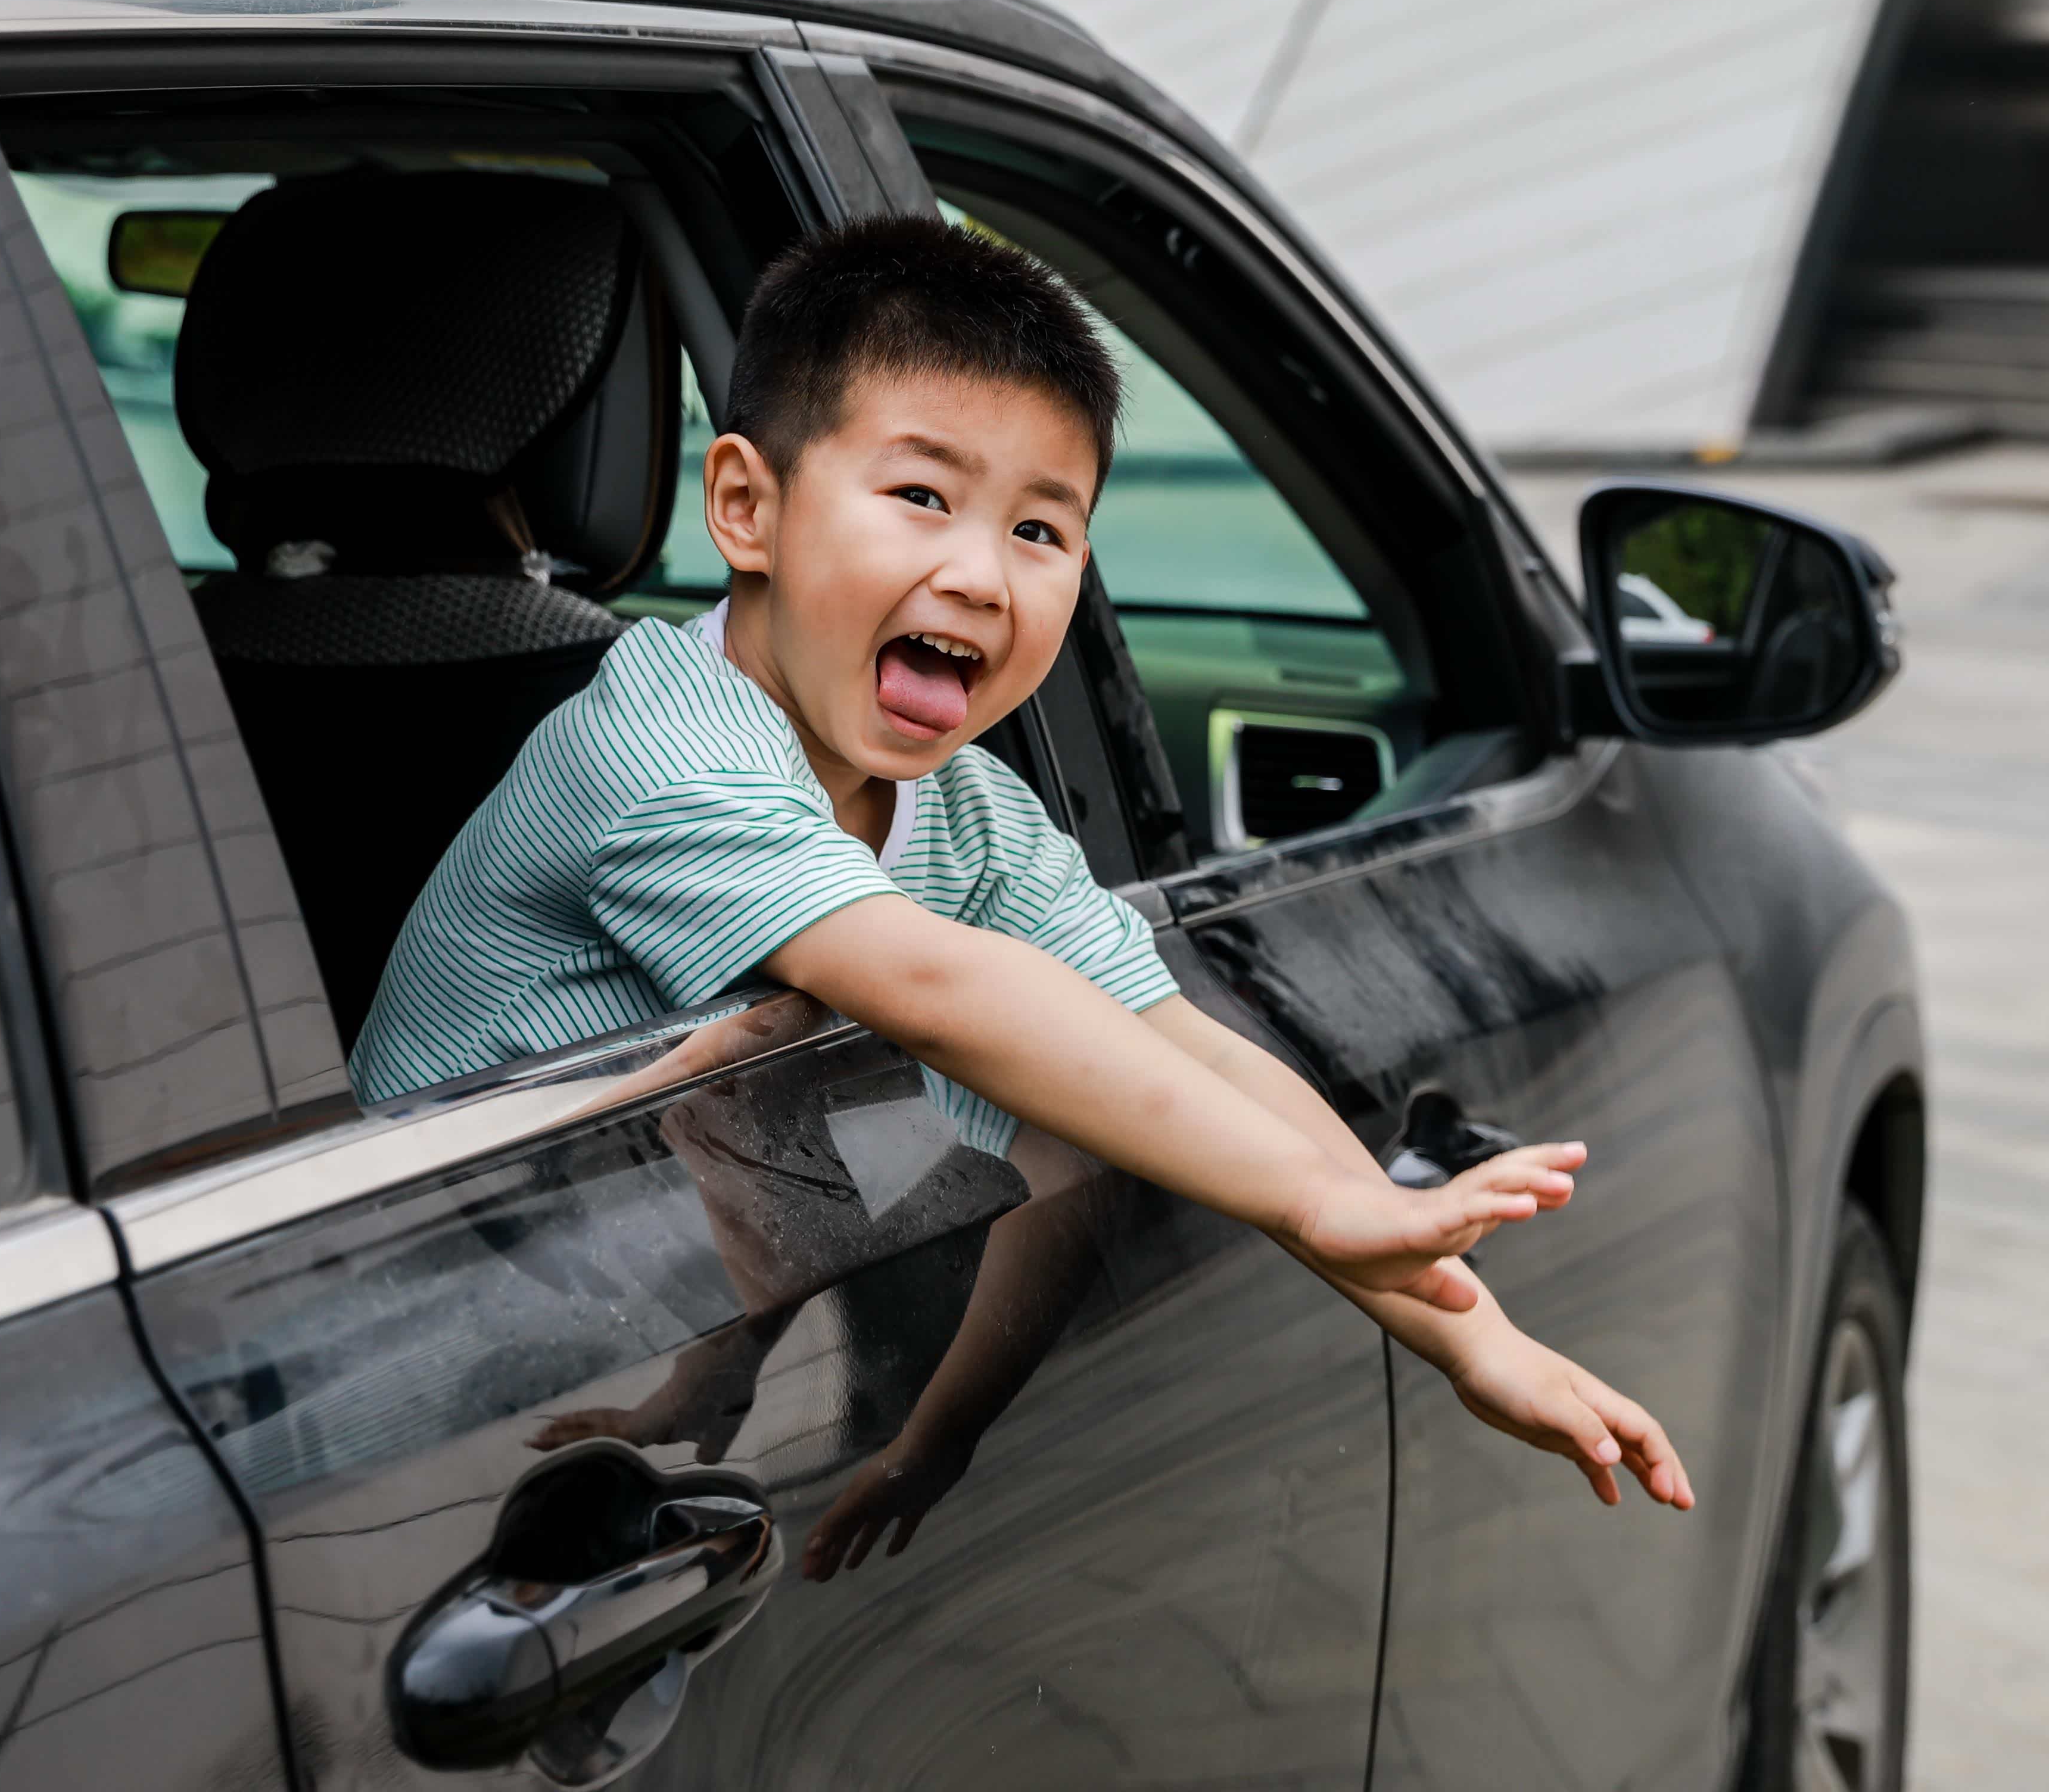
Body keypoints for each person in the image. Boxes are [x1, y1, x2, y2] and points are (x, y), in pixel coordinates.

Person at [356, 216, 1690, 1510]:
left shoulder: (972, 814)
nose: (982, 577)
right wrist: (1305, 1202)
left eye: (1039, 531)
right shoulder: (660, 750)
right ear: (747, 507)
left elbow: (1180, 1042)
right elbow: (938, 989)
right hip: (390, 1391)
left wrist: (1473, 1338)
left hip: (569, 1351)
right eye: (920, 496)